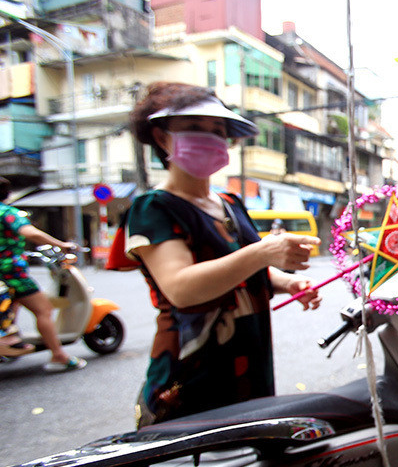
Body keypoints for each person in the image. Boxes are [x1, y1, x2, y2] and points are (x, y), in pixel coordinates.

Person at [123, 82, 321, 427]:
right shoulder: (154, 207)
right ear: (161, 136)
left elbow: (242, 272)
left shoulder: (230, 203)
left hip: (250, 363)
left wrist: (288, 282)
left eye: (218, 130)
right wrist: (262, 252)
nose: (211, 138)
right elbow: (182, 288)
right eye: (195, 128)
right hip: (193, 370)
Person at [0, 177, 84, 371]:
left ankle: (10, 339)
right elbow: (30, 233)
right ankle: (59, 355)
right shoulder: (8, 213)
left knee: (13, 303)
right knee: (43, 309)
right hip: (10, 271)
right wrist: (62, 244)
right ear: (7, 194)